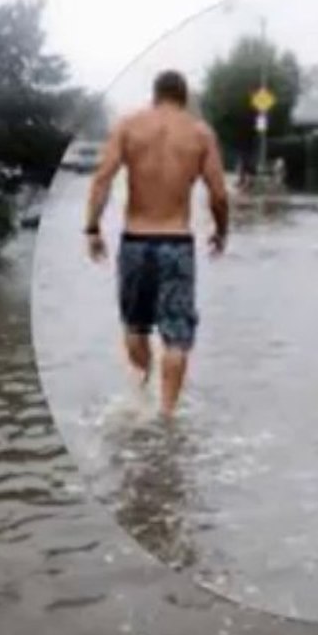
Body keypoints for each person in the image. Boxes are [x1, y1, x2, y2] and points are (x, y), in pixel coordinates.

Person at [83, 70, 230, 420]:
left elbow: (102, 177)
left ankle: (142, 393)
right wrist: (222, 231)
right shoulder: (199, 133)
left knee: (135, 326)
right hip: (177, 242)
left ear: (155, 94)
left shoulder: (129, 125)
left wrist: (92, 229)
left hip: (135, 239)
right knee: (177, 336)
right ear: (184, 97)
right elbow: (219, 194)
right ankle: (166, 416)